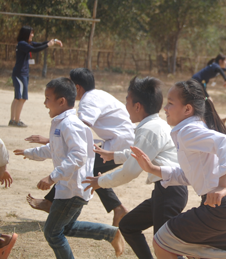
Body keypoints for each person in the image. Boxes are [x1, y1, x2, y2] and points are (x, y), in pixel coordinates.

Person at [130, 79, 226, 259]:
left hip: (222, 204)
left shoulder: (188, 131)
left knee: (162, 241)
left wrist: (222, 186)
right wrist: (152, 168)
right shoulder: (193, 129)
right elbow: (190, 174)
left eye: (171, 103)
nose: (165, 108)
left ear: (187, 109)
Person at [14, 77, 124, 258]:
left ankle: (109, 233)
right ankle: (109, 233)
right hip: (69, 188)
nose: (44, 103)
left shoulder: (71, 124)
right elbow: (54, 149)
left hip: (73, 189)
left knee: (52, 232)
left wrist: (51, 177)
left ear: (61, 101)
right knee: (63, 228)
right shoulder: (61, 123)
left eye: (47, 98)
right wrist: (29, 152)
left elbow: (78, 156)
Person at [82, 76, 189, 259]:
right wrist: (113, 155)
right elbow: (140, 153)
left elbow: (130, 171)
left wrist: (100, 182)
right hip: (165, 192)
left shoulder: (149, 130)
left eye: (127, 101)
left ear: (137, 106)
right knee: (128, 226)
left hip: (169, 193)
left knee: (165, 248)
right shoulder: (155, 125)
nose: (125, 106)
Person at [26, 68, 133, 227]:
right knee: (91, 173)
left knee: (85, 170)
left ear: (76, 88)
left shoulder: (88, 101)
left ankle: (51, 203)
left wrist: (50, 140)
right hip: (118, 142)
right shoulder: (98, 94)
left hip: (118, 145)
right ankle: (117, 208)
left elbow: (78, 132)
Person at [10, 26, 62, 127]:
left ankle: (13, 120)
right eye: (31, 34)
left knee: (17, 97)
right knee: (21, 98)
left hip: (21, 73)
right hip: (20, 74)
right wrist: (48, 45)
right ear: (26, 34)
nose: (32, 35)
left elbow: (39, 44)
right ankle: (16, 121)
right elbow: (35, 49)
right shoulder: (22, 44)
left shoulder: (25, 43)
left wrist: (54, 41)